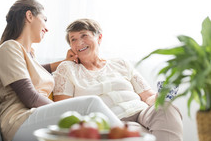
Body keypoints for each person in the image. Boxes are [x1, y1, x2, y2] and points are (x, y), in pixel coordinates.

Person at [0, 0, 124, 141]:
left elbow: (37, 71)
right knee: (90, 104)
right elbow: (30, 97)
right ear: (29, 16)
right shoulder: (9, 48)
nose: (47, 28)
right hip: (19, 122)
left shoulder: (29, 54)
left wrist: (65, 62)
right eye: (44, 19)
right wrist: (69, 110)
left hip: (35, 117)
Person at [53, 18, 183, 141]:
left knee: (166, 109)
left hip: (141, 112)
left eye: (84, 35)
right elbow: (65, 110)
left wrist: (162, 95)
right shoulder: (67, 69)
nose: (79, 42)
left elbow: (148, 97)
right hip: (110, 120)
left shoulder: (121, 63)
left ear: (99, 37)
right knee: (136, 131)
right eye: (73, 39)